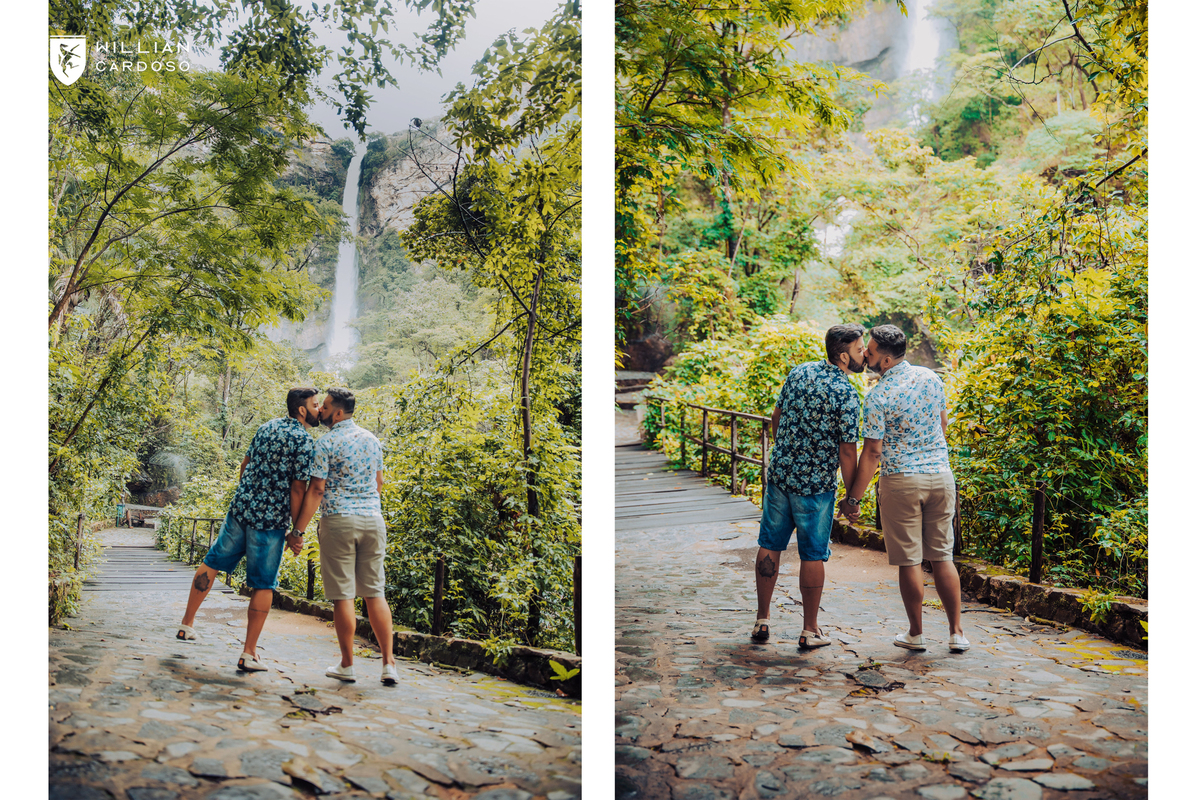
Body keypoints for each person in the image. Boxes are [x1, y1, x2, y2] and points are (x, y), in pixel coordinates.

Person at [842, 324, 969, 652]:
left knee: (910, 561)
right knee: (942, 557)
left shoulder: (877, 396)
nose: (865, 354)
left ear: (885, 361)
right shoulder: (931, 377)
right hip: (940, 476)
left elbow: (872, 452)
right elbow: (942, 424)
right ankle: (957, 634)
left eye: (870, 351)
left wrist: (853, 498)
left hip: (901, 481)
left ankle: (916, 634)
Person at [176, 387, 320, 672]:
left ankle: (186, 623)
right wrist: (296, 532)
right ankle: (249, 653)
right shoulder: (304, 440)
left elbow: (245, 465)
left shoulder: (266, 427)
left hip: (241, 510)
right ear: (302, 410)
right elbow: (297, 489)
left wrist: (247, 495)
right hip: (270, 521)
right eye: (315, 405)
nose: (318, 410)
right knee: (263, 583)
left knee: (213, 561)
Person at [752, 324, 865, 650]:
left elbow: (776, 417)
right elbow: (848, 451)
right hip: (815, 487)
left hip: (781, 477)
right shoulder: (846, 394)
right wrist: (852, 498)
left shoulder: (799, 372)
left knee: (770, 543)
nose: (864, 356)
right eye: (859, 350)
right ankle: (810, 629)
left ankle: (762, 619)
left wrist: (787, 452)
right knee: (813, 554)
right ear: (843, 356)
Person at [293, 388, 397, 685]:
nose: (321, 411)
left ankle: (347, 665)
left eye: (325, 407)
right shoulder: (372, 439)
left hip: (339, 521)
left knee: (343, 595)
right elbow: (379, 482)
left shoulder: (325, 443)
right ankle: (389, 665)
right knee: (375, 592)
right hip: (372, 520)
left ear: (338, 413)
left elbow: (316, 489)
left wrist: (298, 531)